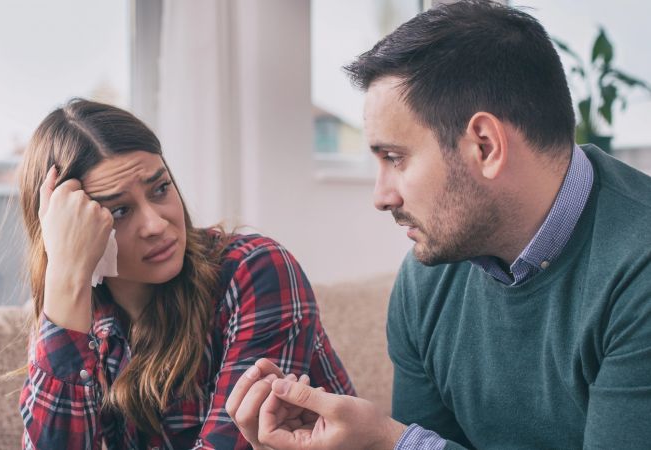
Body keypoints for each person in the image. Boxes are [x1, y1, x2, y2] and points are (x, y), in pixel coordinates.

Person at [228, 1, 651, 448]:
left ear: (485, 147)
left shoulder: (638, 271)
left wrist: (388, 442)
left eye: (395, 158)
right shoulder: (426, 282)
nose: (381, 197)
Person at [16, 99, 353, 449]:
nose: (156, 224)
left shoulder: (256, 270)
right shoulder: (68, 314)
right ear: (72, 230)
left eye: (160, 188)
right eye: (119, 211)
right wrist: (66, 277)